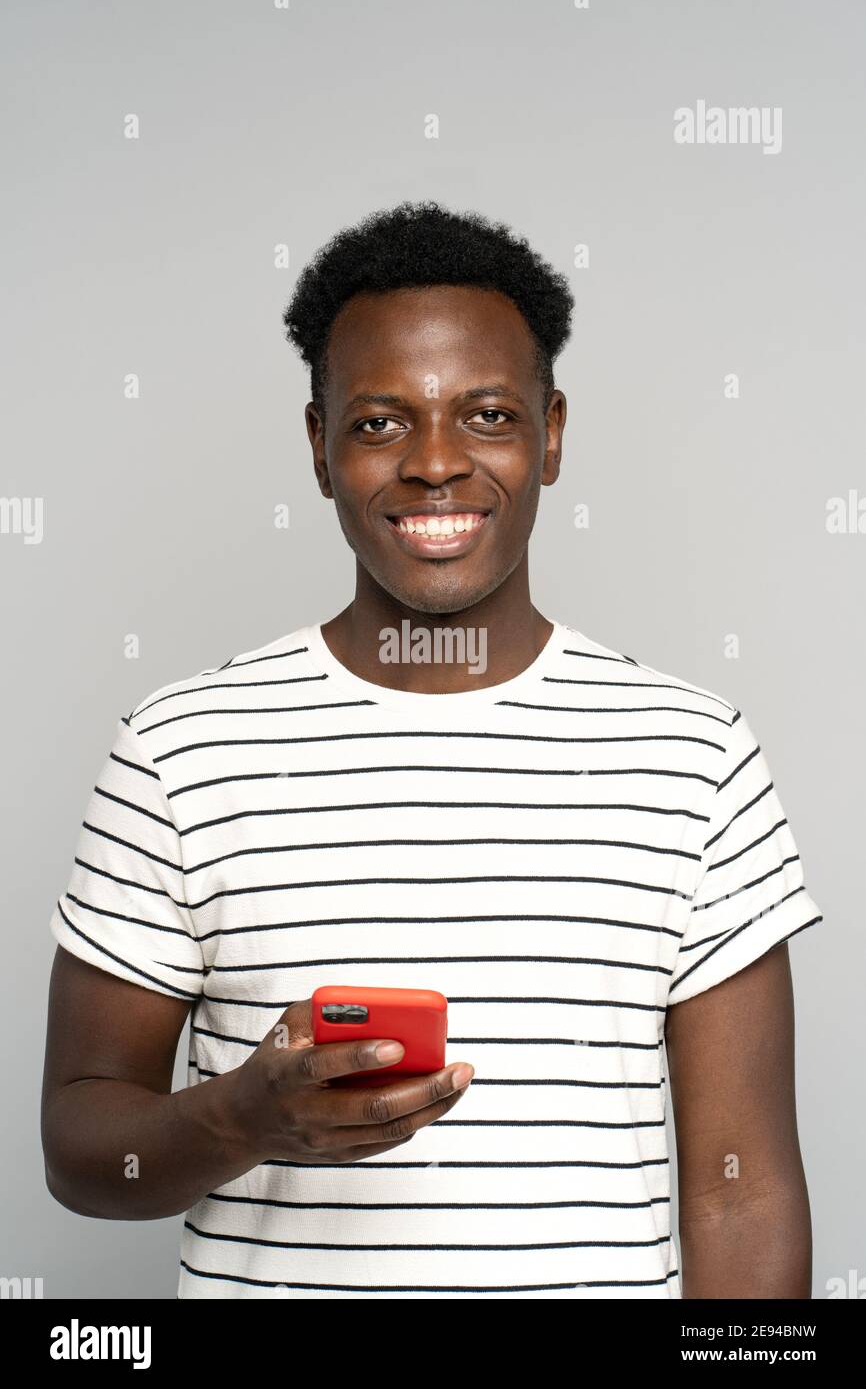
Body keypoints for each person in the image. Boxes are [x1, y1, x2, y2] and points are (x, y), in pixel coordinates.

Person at [41, 201, 823, 1299]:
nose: (435, 464)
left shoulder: (693, 754)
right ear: (318, 448)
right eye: (378, 423)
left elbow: (740, 1191)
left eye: (487, 414)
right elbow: (81, 1148)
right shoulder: (180, 748)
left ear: (551, 434)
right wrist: (243, 1116)